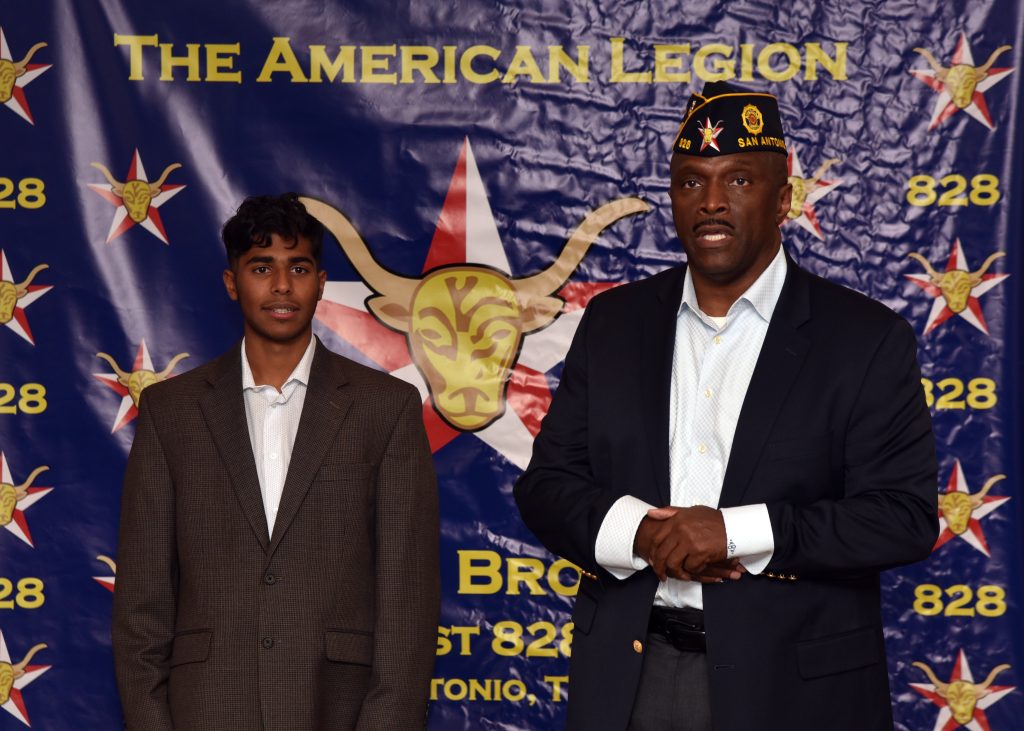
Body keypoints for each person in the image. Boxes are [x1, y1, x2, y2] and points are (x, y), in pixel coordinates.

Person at [514, 81, 938, 731]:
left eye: (738, 179)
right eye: (690, 181)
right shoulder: (614, 323)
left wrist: (734, 531)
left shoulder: (864, 339)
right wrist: (641, 531)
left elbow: (902, 518)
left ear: (784, 198)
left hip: (793, 692)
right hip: (633, 675)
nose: (711, 201)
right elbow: (547, 487)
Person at [112, 193, 440, 730]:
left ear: (321, 282)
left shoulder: (385, 407)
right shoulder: (173, 411)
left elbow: (407, 602)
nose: (282, 285)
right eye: (261, 267)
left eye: (299, 267)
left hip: (339, 709)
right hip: (206, 709)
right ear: (232, 282)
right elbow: (141, 608)